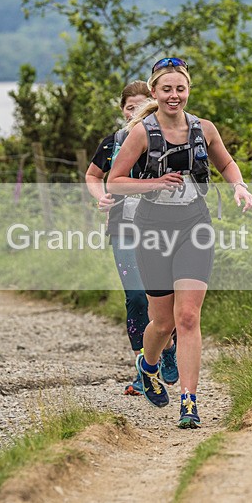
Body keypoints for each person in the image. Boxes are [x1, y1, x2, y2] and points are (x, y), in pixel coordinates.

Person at [107, 57, 252, 428]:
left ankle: (189, 402)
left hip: (194, 225)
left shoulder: (203, 128)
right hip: (152, 229)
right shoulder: (141, 132)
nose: (174, 96)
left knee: (187, 316)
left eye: (180, 89)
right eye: (167, 89)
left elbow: (227, 164)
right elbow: (114, 181)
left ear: (188, 90)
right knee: (161, 323)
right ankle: (148, 364)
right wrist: (155, 183)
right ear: (154, 92)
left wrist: (239, 186)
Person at [84, 80, 179, 396]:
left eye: (142, 107)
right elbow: (93, 175)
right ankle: (144, 369)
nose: (136, 113)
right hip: (123, 228)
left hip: (163, 229)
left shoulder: (169, 140)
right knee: (137, 298)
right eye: (130, 108)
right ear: (123, 110)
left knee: (163, 300)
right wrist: (101, 197)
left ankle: (167, 346)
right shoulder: (112, 143)